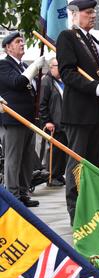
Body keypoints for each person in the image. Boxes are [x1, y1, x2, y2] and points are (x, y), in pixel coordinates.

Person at [57, 0, 99, 225]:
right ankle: (77, 216)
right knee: (77, 166)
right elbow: (68, 73)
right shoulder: (68, 37)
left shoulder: (94, 41)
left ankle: (94, 212)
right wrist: (95, 88)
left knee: (97, 166)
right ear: (74, 15)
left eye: (94, 12)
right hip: (79, 113)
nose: (93, 16)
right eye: (88, 12)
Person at [0, 31, 45, 207]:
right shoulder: (4, 65)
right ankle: (13, 196)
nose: (22, 44)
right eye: (18, 42)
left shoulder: (21, 65)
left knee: (27, 159)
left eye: (22, 41)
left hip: (27, 119)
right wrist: (34, 68)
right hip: (13, 119)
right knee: (14, 158)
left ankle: (23, 192)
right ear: (8, 47)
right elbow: (18, 83)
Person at [39, 57, 67, 187]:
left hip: (63, 122)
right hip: (53, 123)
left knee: (62, 151)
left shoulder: (62, 81)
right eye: (57, 66)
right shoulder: (47, 81)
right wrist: (47, 121)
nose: (60, 69)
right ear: (51, 67)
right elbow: (42, 104)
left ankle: (59, 174)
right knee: (54, 152)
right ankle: (52, 175)